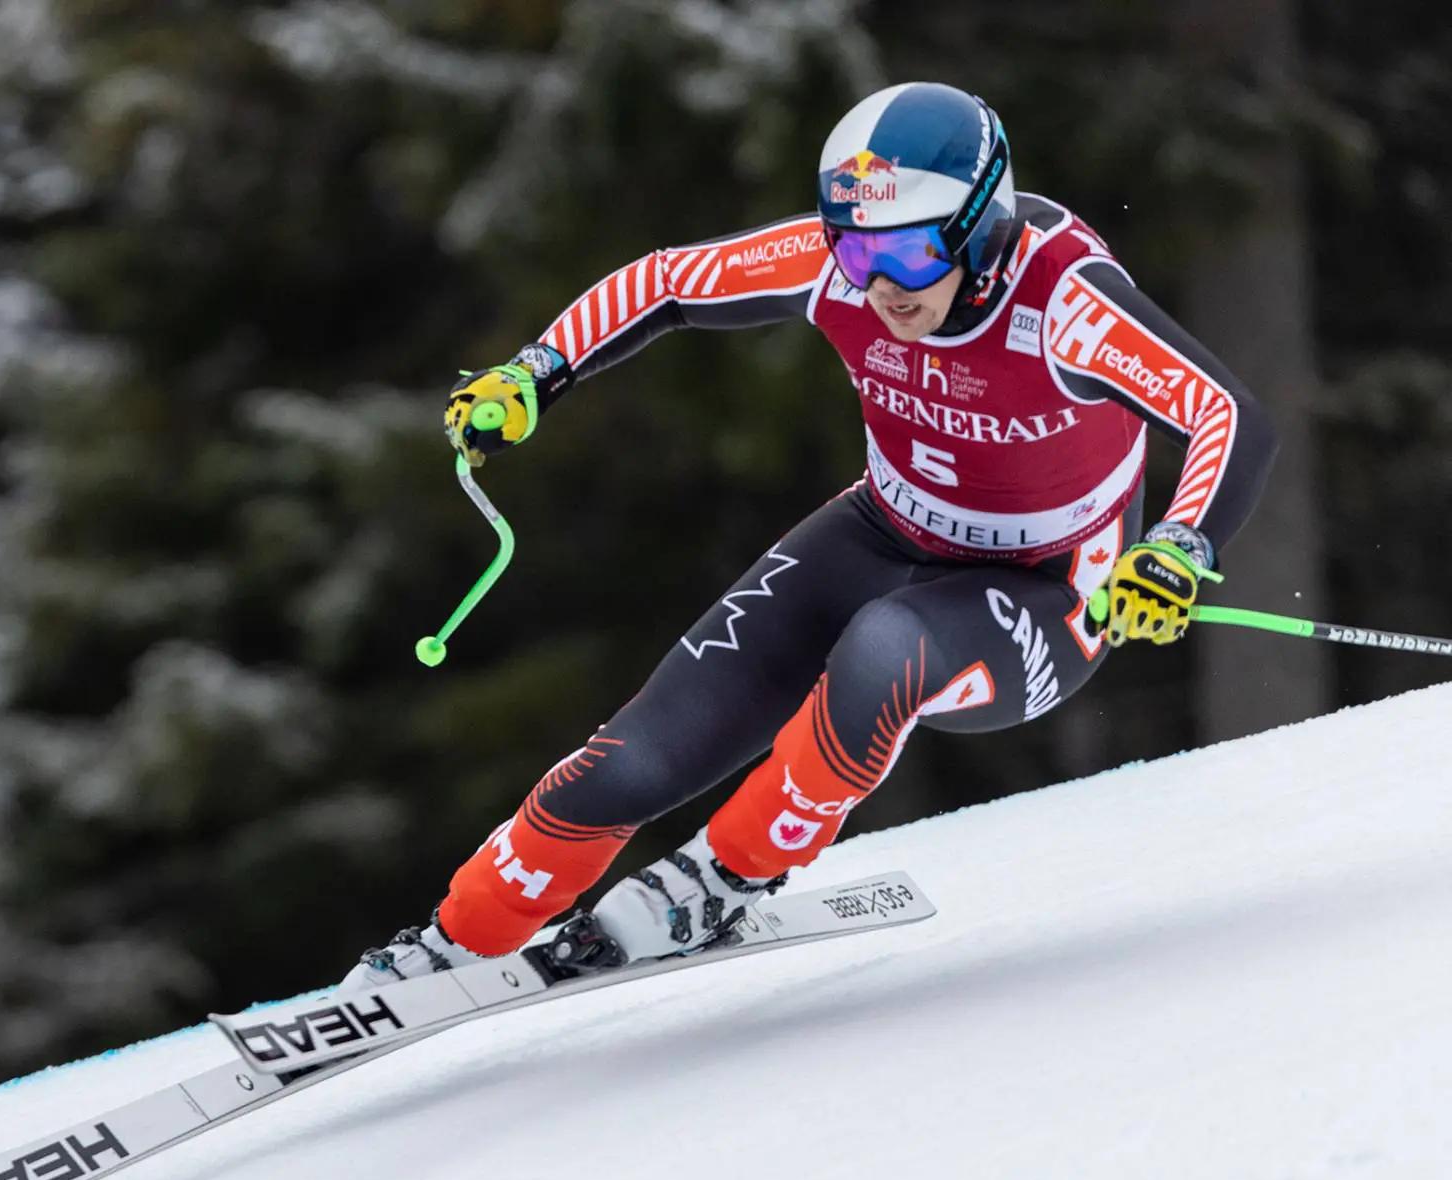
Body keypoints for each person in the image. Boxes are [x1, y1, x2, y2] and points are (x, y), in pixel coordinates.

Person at [342, 81, 1277, 988]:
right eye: (858, 256)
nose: (881, 288)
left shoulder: (1064, 303)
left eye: (909, 257)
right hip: (882, 528)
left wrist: (1183, 544)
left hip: (1050, 587)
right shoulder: (846, 268)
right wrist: (535, 373)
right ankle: (446, 946)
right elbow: (667, 283)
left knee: (886, 651)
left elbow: (1226, 414)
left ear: (982, 227)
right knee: (633, 760)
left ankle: (726, 876)